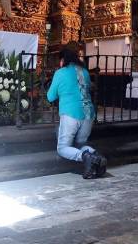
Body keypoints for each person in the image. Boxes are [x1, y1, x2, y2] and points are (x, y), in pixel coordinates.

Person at [47, 47, 106, 179]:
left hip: (71, 114)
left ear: (63, 60)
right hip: (89, 114)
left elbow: (50, 97)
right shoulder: (84, 72)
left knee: (63, 148)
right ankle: (97, 157)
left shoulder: (60, 73)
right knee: (80, 144)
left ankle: (86, 157)